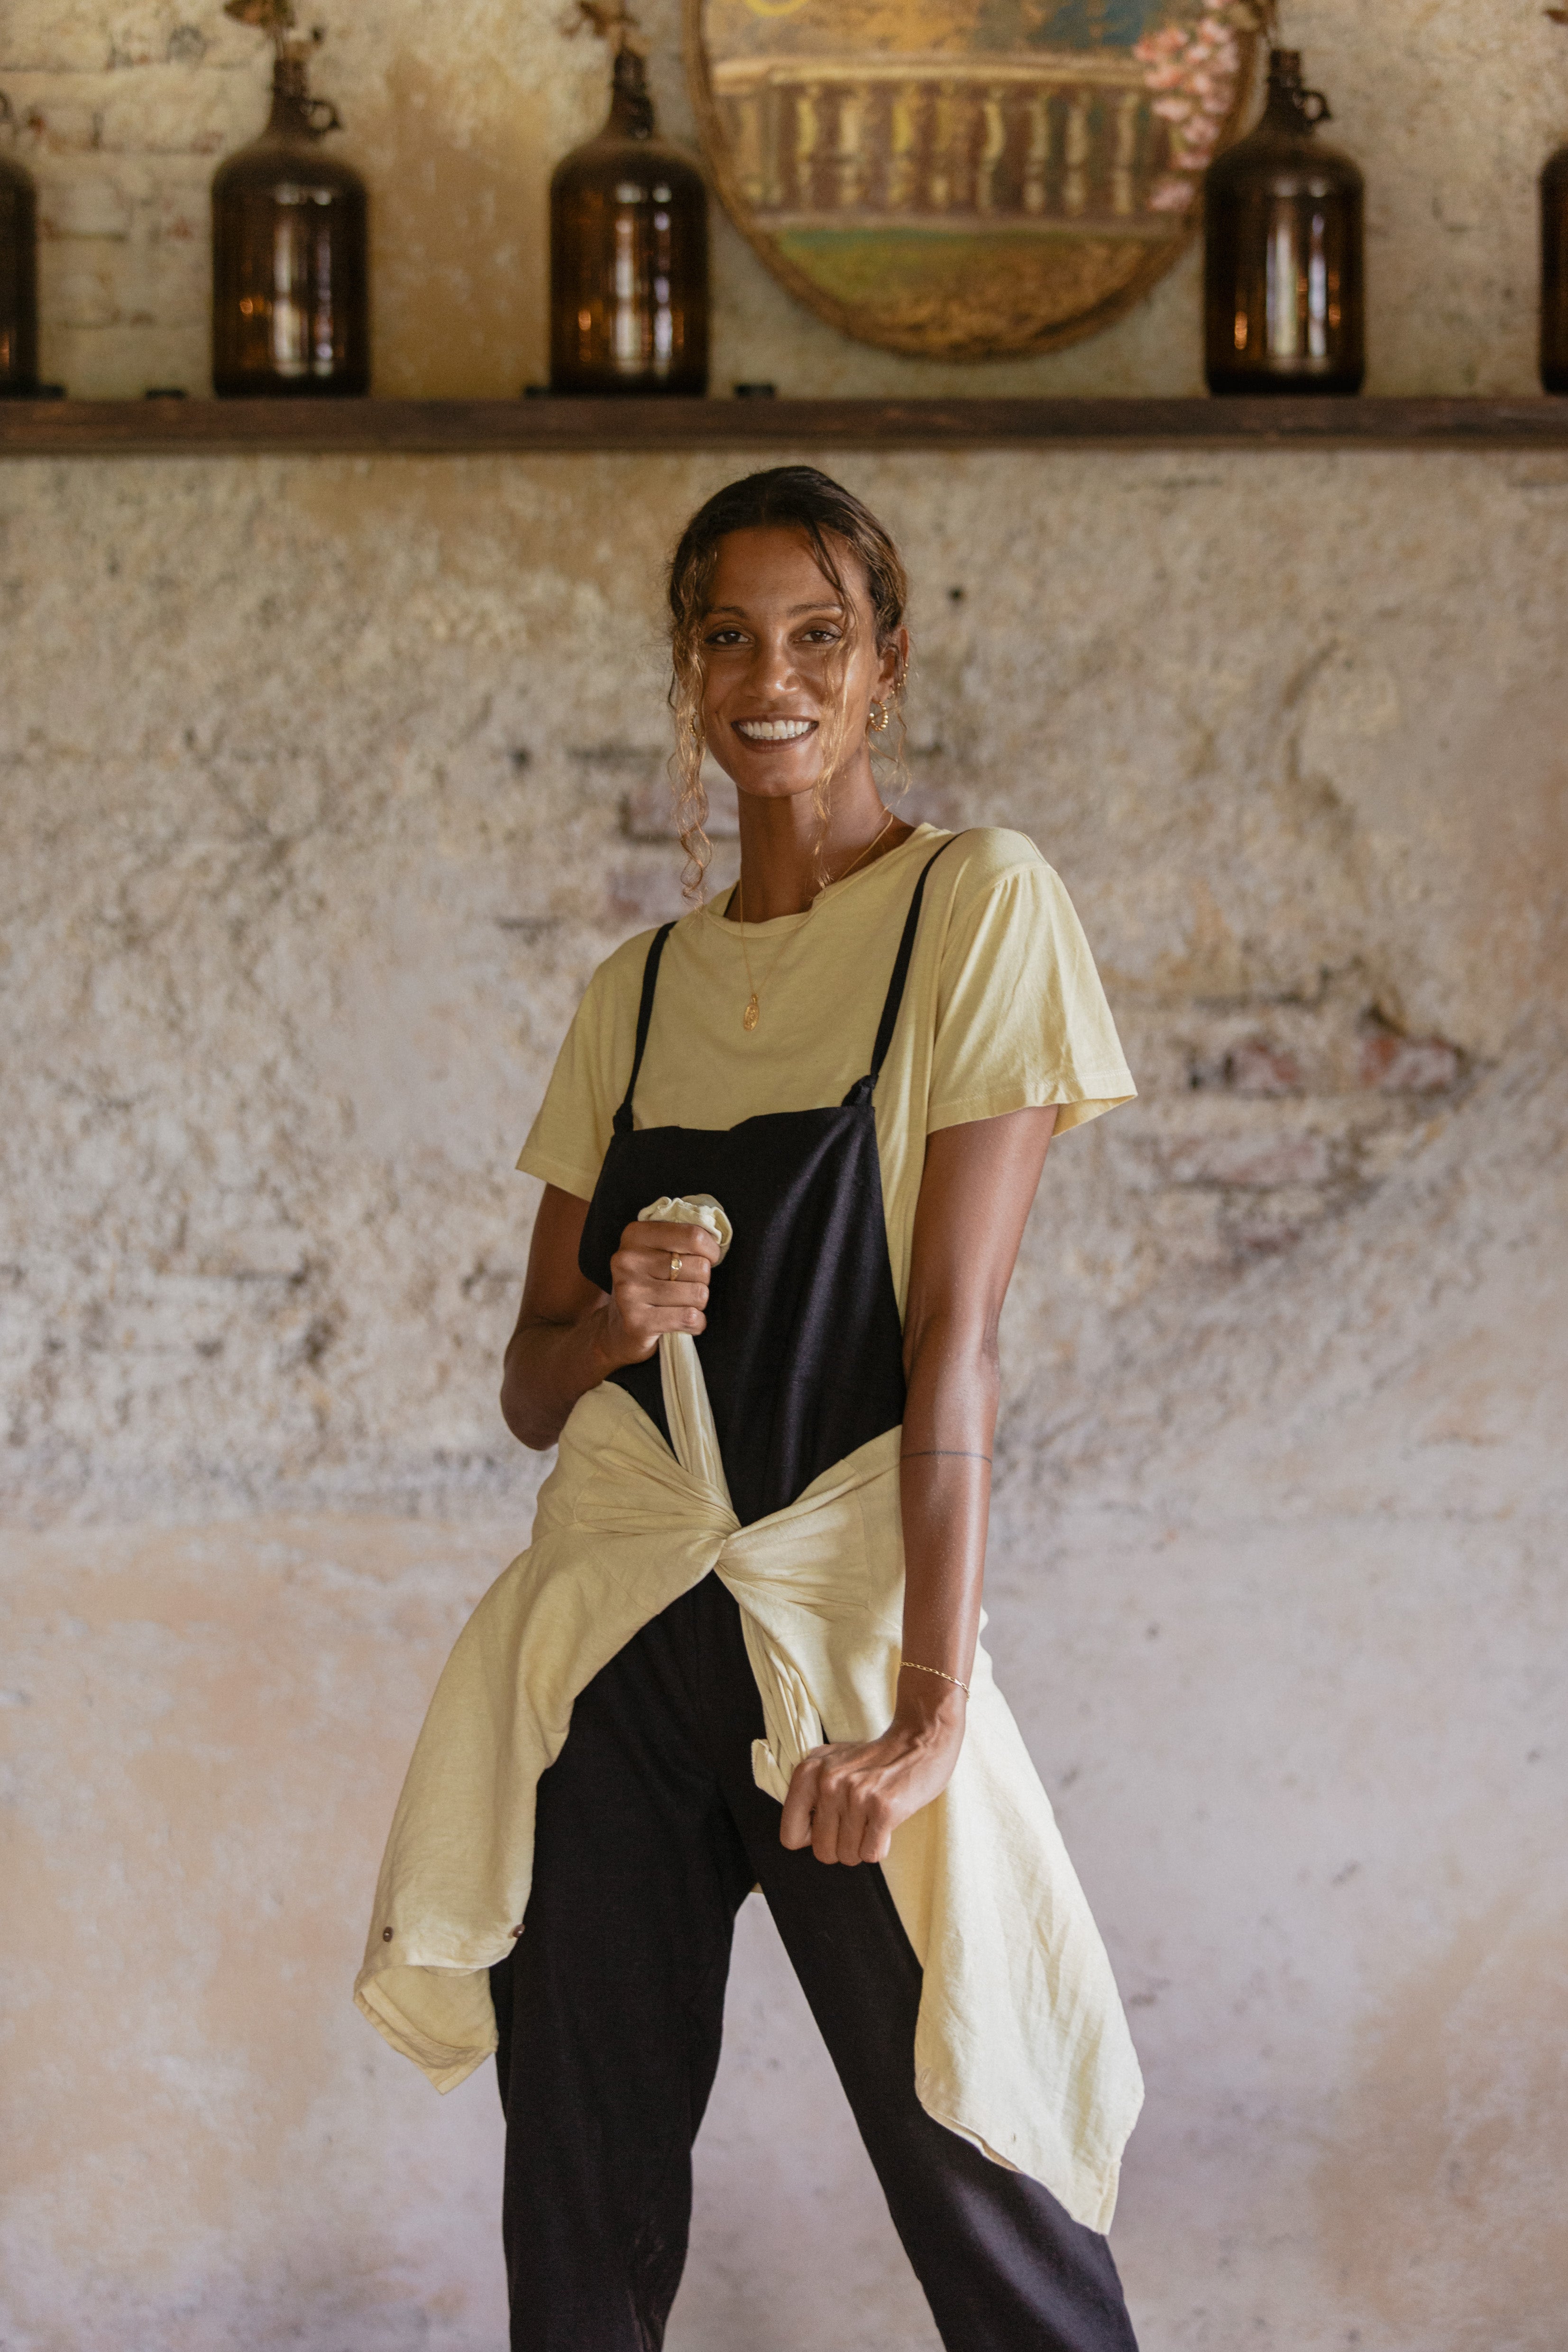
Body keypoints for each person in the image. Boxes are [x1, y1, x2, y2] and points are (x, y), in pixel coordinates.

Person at [355, 466, 1145, 2352]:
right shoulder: (633, 992)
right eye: (728, 635)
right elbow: (530, 1383)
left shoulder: (975, 903)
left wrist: (930, 1718)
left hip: (837, 1634)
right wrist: (610, 1325)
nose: (769, 678)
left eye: (815, 635)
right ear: (686, 667)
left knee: (980, 2159)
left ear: (883, 662)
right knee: (580, 2185)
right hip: (615, 1640)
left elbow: (952, 1343)